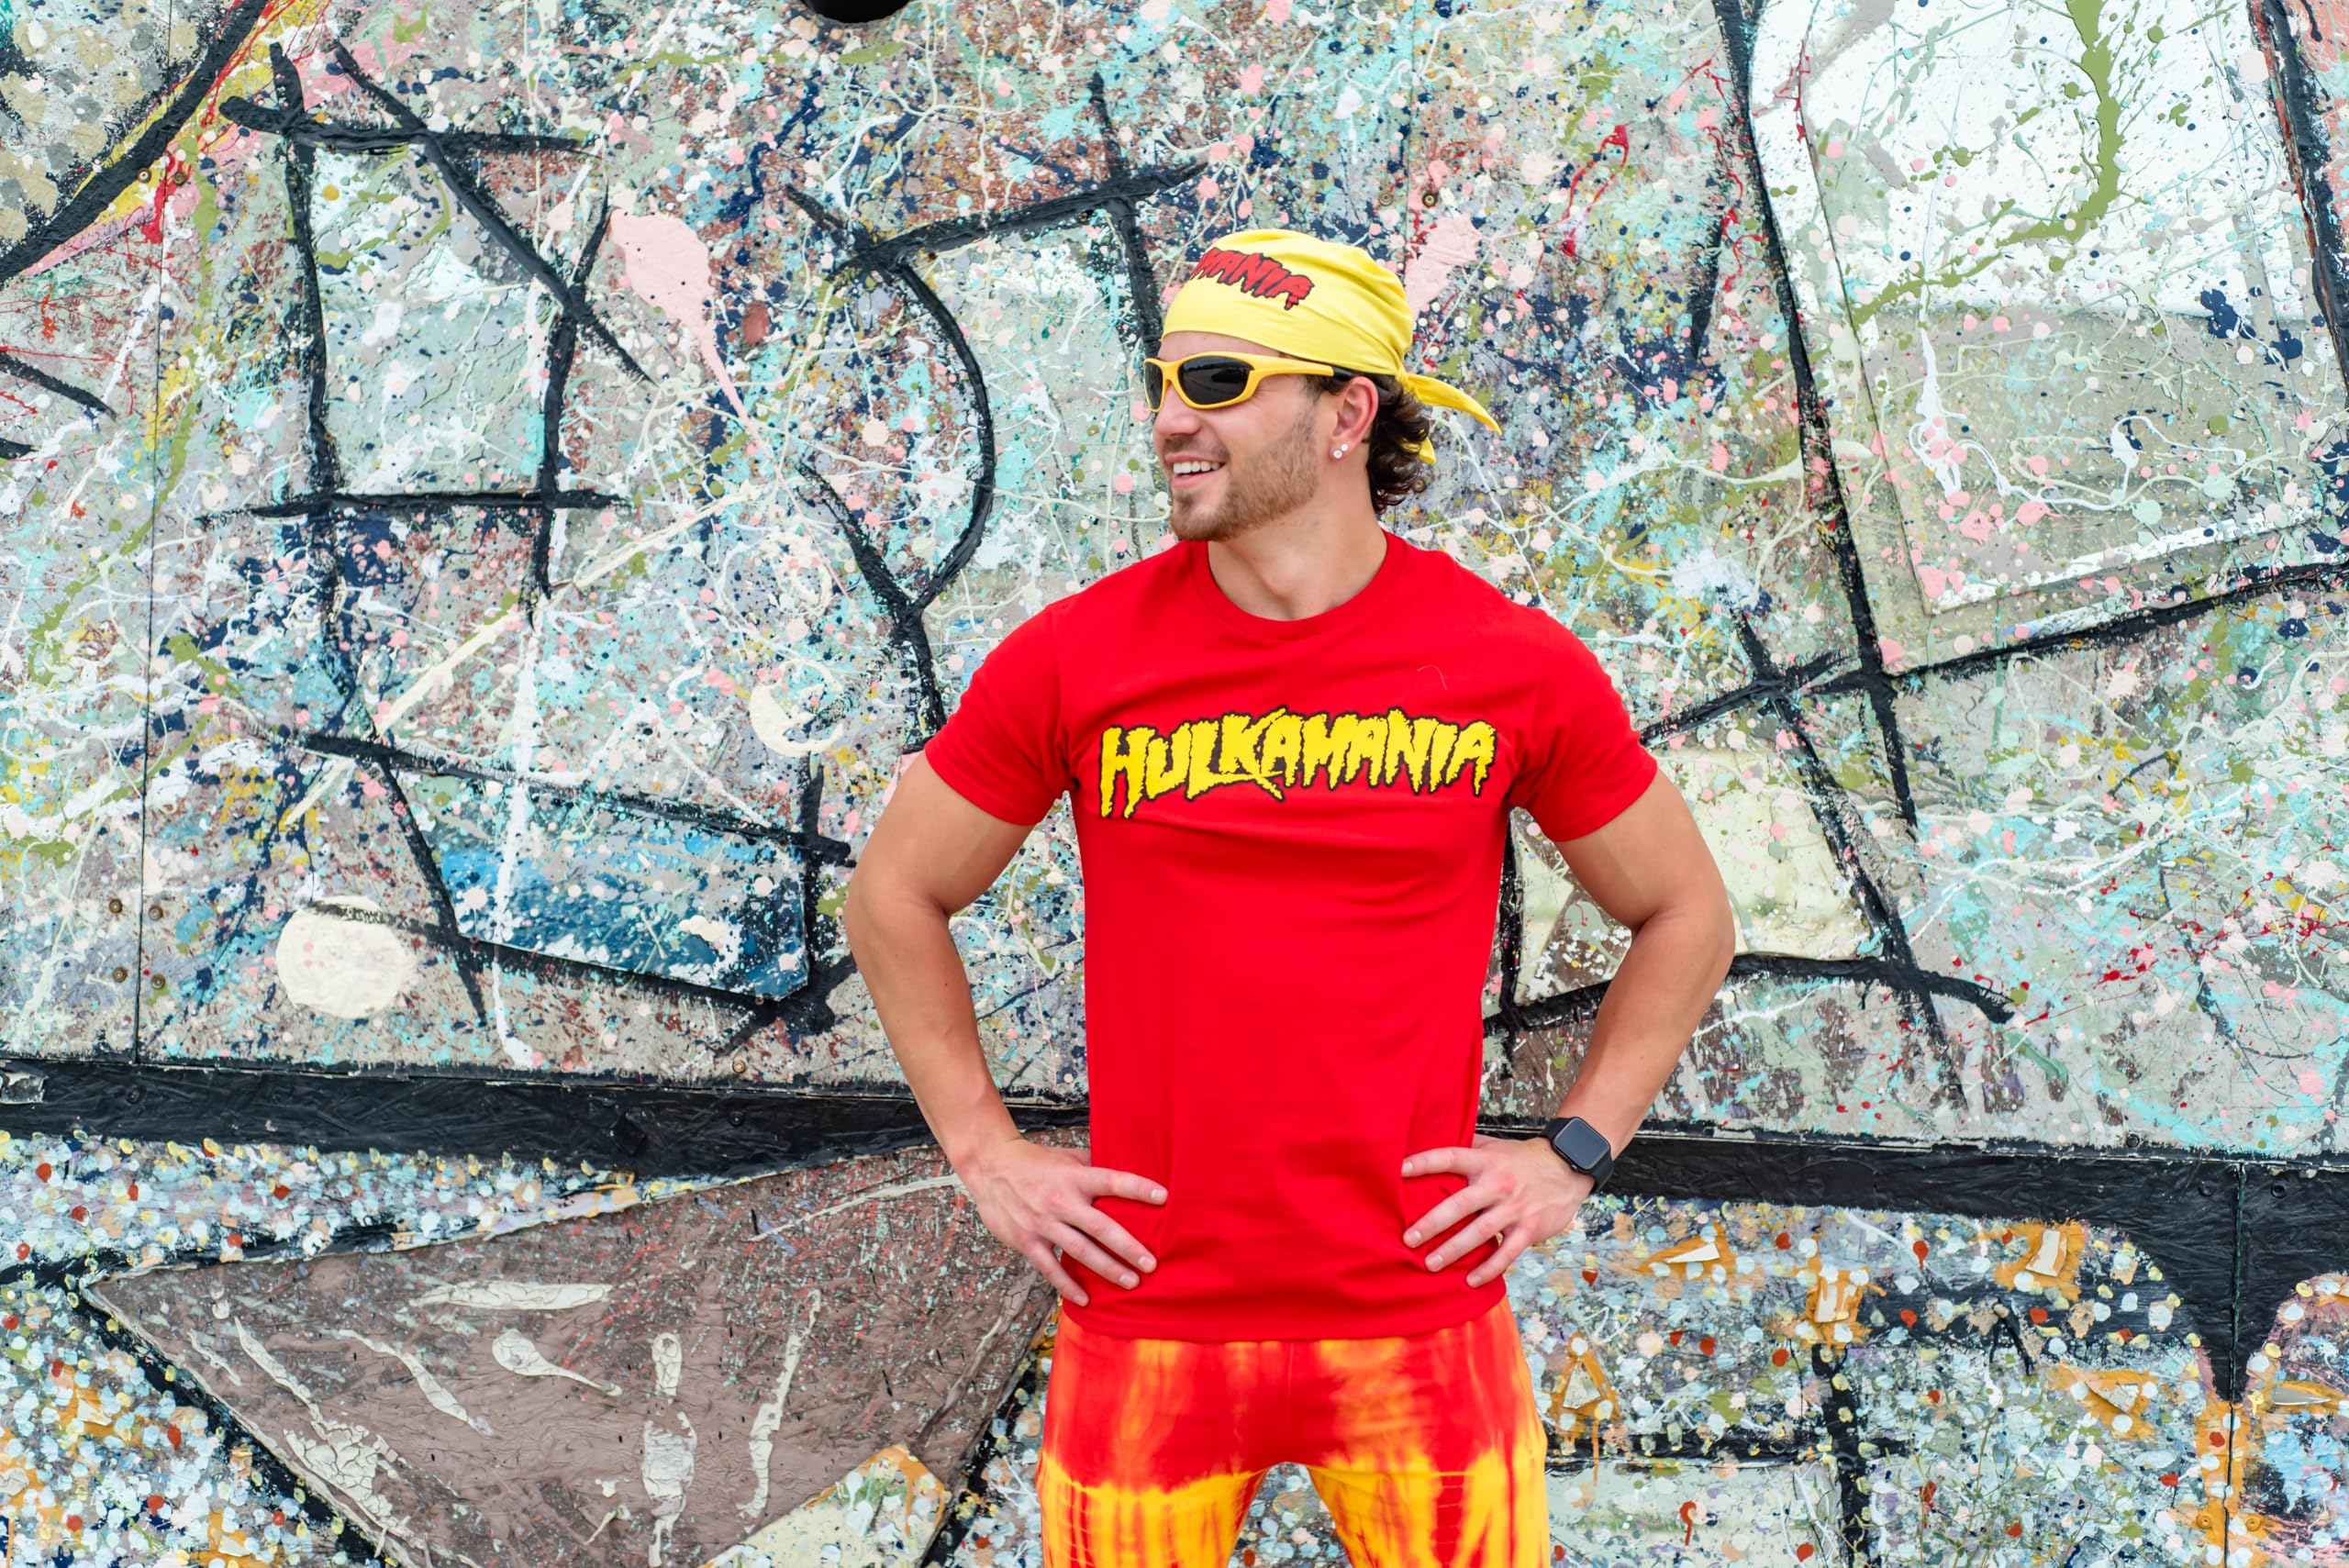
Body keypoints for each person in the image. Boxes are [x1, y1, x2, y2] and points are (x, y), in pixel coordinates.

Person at [842, 228, 1736, 1567]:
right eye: (1164, 382)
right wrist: (984, 1152)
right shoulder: (1078, 658)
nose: (1170, 419)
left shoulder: (1509, 665)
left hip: (1419, 1326)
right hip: (1146, 1325)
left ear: (1346, 415)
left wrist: (1573, 1152)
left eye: (1217, 382)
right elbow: (894, 892)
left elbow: (1688, 915)